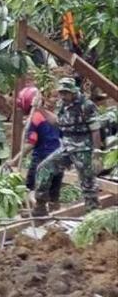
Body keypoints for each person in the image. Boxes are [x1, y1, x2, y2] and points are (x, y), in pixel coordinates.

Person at [34, 77, 102, 215]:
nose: (63, 96)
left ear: (73, 92)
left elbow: (95, 129)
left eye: (66, 93)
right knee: (44, 168)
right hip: (67, 146)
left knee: (87, 183)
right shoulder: (62, 105)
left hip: (83, 148)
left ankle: (93, 215)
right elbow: (57, 122)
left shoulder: (86, 105)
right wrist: (40, 109)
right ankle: (40, 206)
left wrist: (96, 153)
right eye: (61, 93)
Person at [8, 86, 62, 207]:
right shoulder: (52, 117)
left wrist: (14, 161)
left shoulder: (34, 119)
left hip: (42, 159)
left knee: (31, 189)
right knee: (53, 194)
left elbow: (30, 144)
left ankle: (38, 213)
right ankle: (54, 219)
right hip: (59, 158)